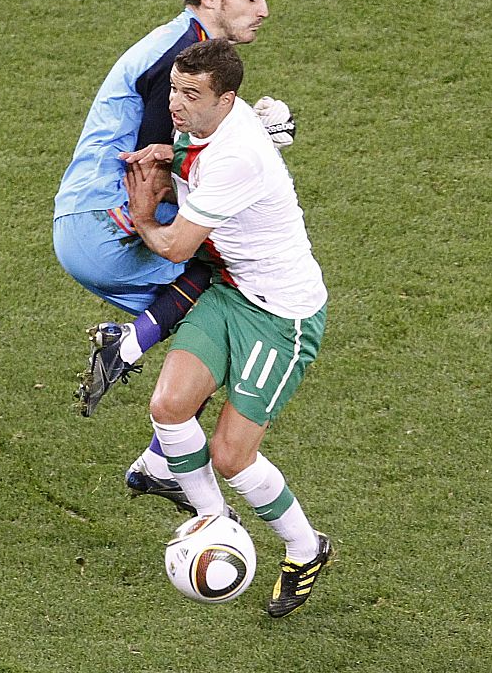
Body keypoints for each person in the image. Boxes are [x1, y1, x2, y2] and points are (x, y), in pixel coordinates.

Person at [53, 0, 294, 509]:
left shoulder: (181, 48)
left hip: (86, 223)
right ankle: (125, 348)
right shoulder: (183, 61)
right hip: (109, 225)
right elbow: (156, 165)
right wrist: (262, 146)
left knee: (219, 338)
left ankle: (160, 462)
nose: (263, 10)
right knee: (240, 298)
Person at [124, 38, 331, 618]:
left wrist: (143, 214)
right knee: (168, 406)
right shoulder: (214, 123)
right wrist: (168, 157)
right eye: (174, 89)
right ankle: (213, 521)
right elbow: (191, 151)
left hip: (281, 316)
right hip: (231, 291)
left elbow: (173, 245)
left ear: (228, 99)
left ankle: (305, 546)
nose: (177, 103)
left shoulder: (239, 155)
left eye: (191, 94)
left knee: (231, 455)